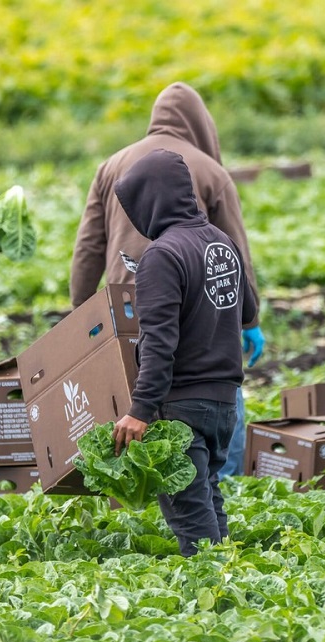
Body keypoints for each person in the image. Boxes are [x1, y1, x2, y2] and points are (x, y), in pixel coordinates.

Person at [70, 81, 265, 480]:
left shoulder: (113, 166)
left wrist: (81, 315)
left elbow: (89, 247)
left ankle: (145, 512)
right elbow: (234, 256)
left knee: (130, 415)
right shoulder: (211, 170)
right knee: (203, 414)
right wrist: (249, 320)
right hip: (200, 315)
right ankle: (216, 488)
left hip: (124, 312)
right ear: (202, 125)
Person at [111, 149, 258, 556]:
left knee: (190, 517)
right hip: (224, 402)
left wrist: (140, 410)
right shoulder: (221, 241)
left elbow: (159, 341)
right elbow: (247, 310)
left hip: (182, 407)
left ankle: (217, 602)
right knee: (207, 496)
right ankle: (234, 584)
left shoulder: (163, 254)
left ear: (151, 201)